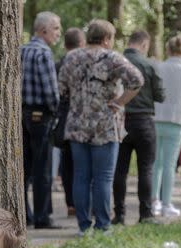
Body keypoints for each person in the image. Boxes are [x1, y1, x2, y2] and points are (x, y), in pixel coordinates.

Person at [58, 19, 143, 234]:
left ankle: (83, 225)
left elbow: (61, 89)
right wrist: (120, 101)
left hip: (77, 123)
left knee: (81, 176)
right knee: (103, 177)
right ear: (107, 39)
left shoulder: (71, 57)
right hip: (105, 124)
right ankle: (103, 224)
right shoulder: (112, 58)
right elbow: (137, 79)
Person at [112, 30, 165, 225]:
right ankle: (146, 214)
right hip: (144, 121)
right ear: (144, 44)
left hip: (121, 119)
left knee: (120, 169)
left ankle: (119, 214)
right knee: (146, 169)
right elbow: (161, 96)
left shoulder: (116, 61)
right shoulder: (150, 65)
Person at [21, 12, 62, 228]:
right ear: (43, 30)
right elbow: (51, 92)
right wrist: (55, 112)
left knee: (24, 169)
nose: (58, 33)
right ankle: (42, 217)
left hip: (22, 114)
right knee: (43, 169)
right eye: (56, 28)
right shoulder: (43, 53)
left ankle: (25, 214)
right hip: (41, 116)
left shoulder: (22, 49)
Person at [151, 35, 181, 218]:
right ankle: (167, 203)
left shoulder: (158, 68)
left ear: (168, 49)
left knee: (156, 163)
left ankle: (154, 201)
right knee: (170, 165)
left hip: (156, 118)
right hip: (177, 120)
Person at [55, 28, 86, 218]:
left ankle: (71, 203)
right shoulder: (82, 64)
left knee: (66, 164)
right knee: (81, 164)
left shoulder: (58, 64)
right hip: (79, 117)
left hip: (61, 117)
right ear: (81, 43)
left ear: (65, 44)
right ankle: (82, 202)